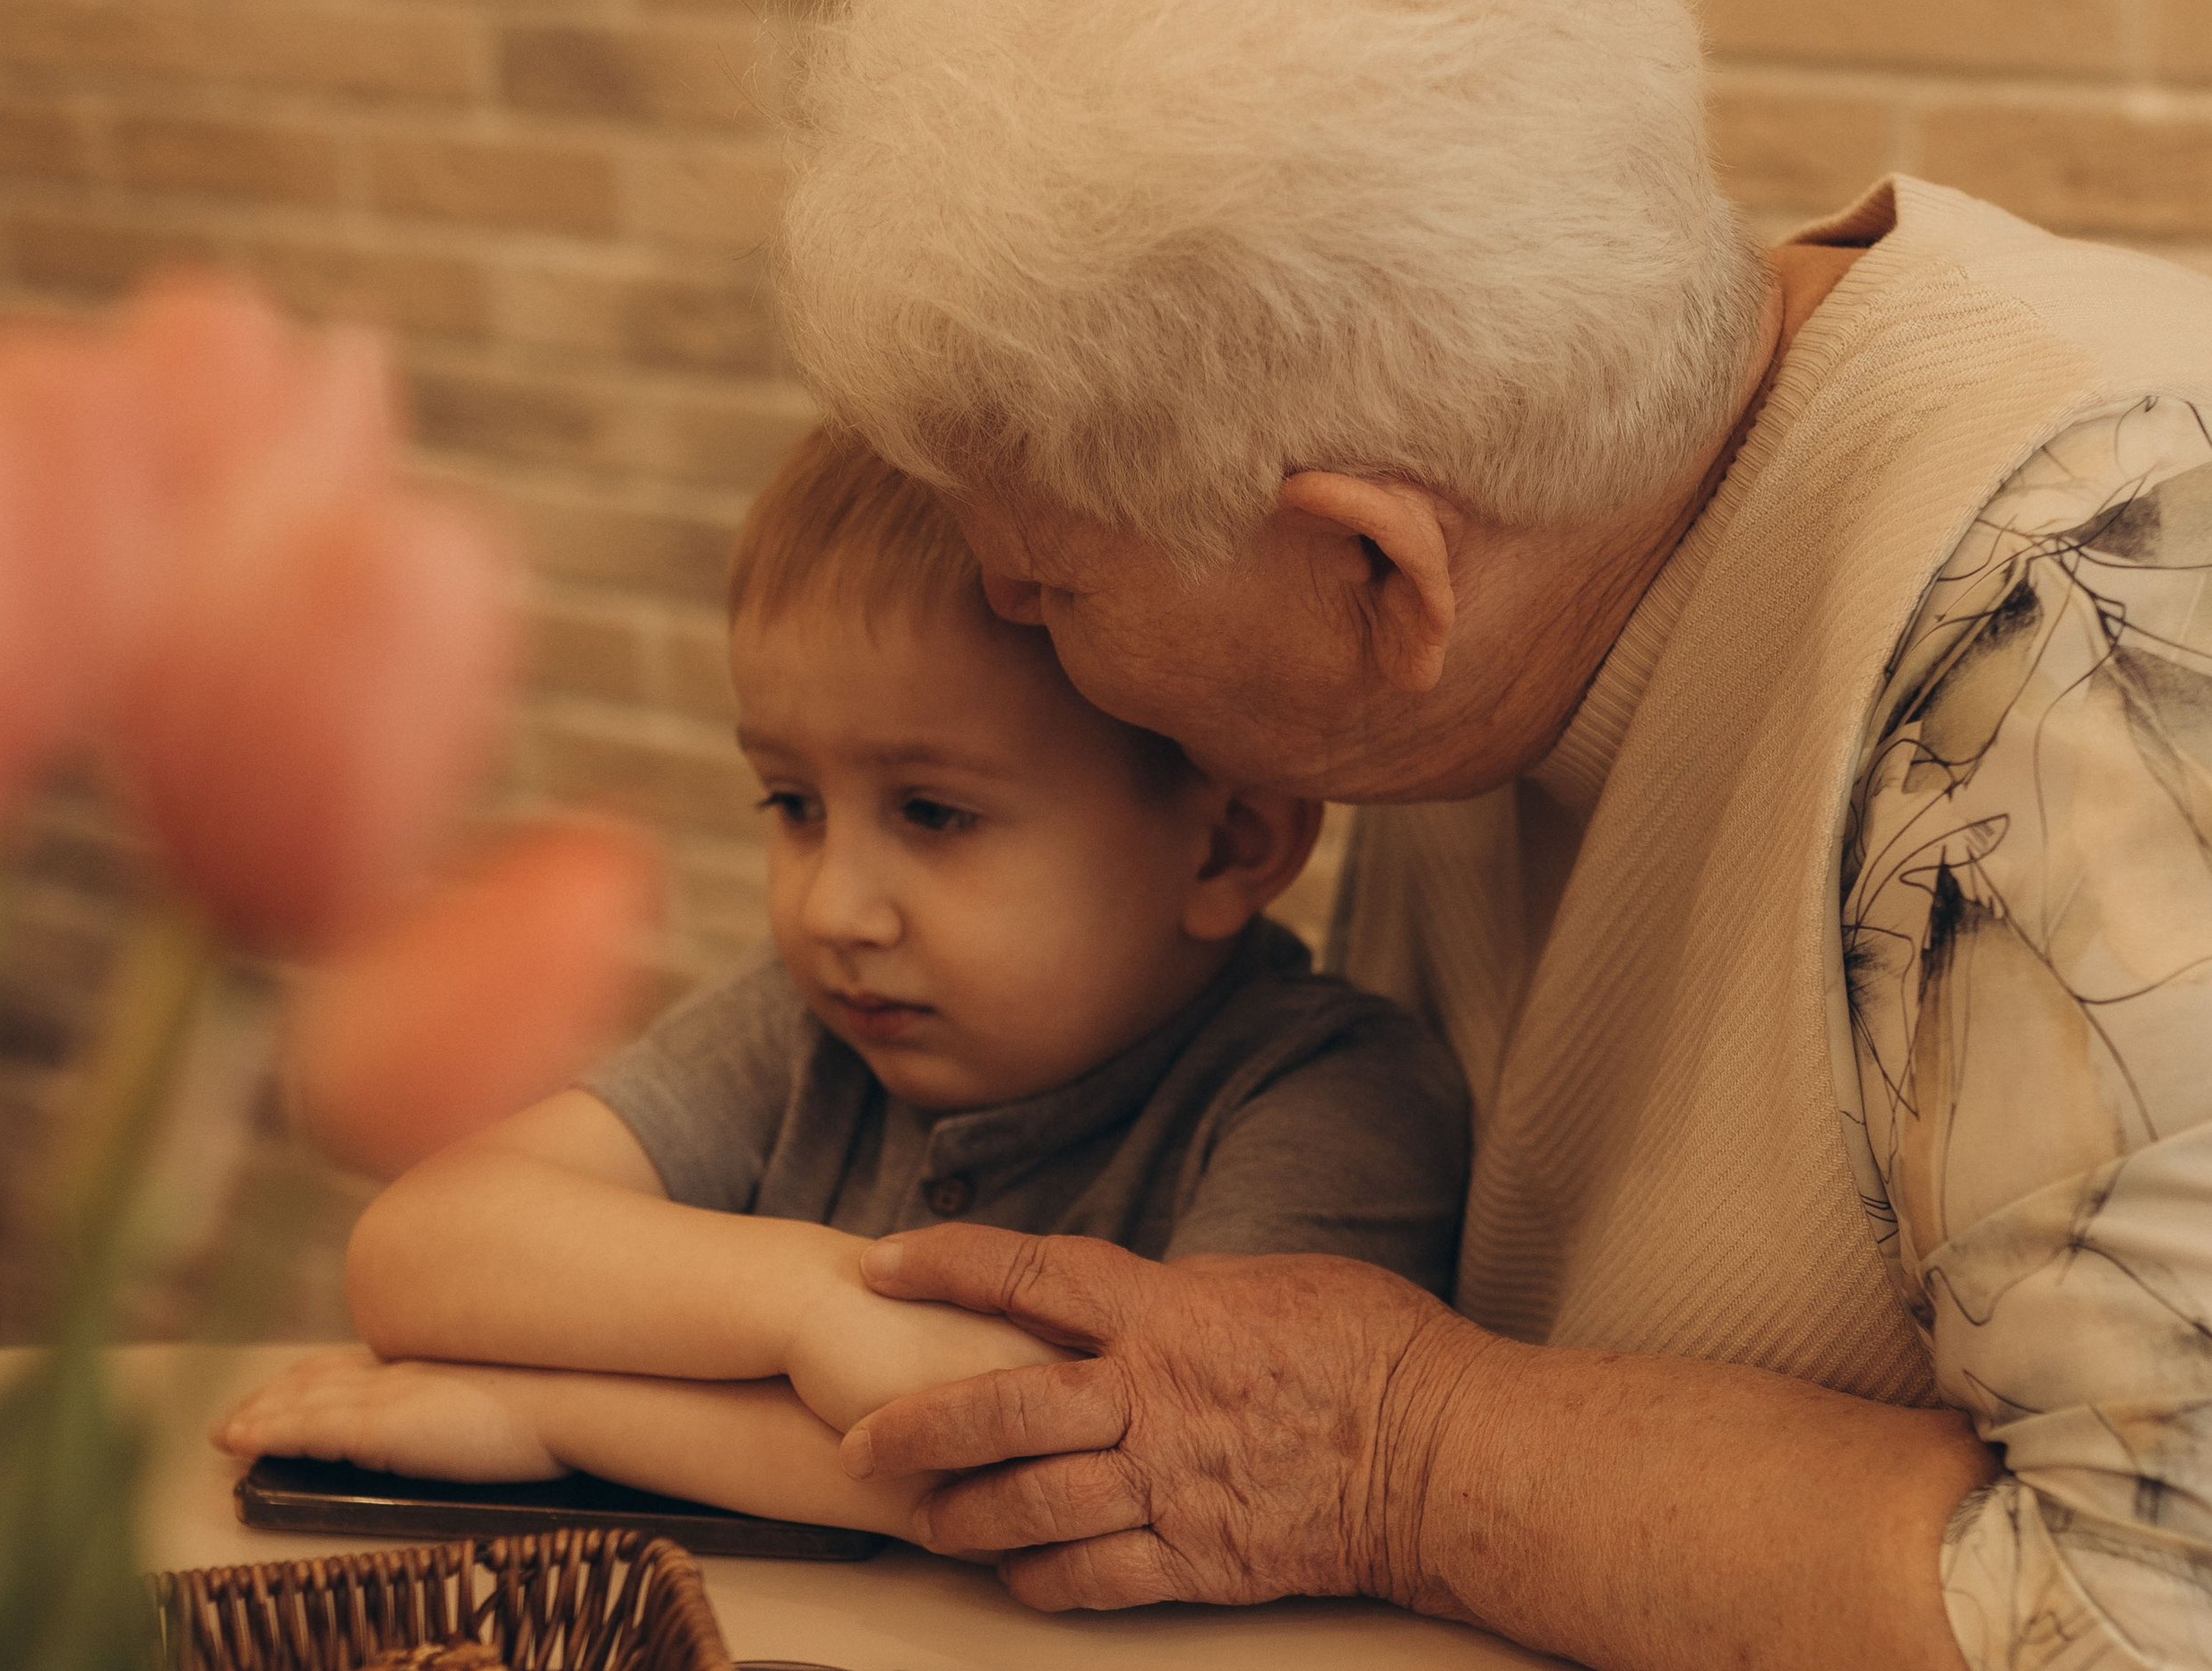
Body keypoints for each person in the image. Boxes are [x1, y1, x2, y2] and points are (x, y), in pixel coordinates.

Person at [768, 0, 2212, 1671]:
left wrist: (1406, 1455)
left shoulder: (2073, 648)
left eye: (1044, 593)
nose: (1022, 638)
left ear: (1375, 572)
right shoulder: (1545, 524)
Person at [215, 430, 1466, 1537]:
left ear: (1227, 844)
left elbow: (1108, 1485)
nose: (829, 908)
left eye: (932, 812)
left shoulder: (1328, 1101)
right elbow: (421, 1245)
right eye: (793, 805)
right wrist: (814, 1312)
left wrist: (546, 1411)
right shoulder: (809, 1028)